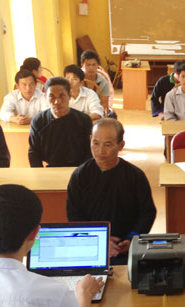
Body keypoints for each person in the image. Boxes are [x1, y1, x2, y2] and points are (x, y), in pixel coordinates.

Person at [67, 119, 157, 265]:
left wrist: (131, 239)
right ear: (90, 140)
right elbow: (74, 214)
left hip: (126, 246)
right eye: (96, 143)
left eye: (107, 144)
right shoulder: (80, 176)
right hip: (91, 244)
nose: (100, 150)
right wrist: (100, 239)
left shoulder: (134, 176)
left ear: (121, 145)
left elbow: (147, 212)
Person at [28, 77, 92, 167]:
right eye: (52, 97)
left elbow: (89, 152)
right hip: (51, 169)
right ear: (45, 97)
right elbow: (34, 152)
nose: (57, 102)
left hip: (78, 168)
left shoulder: (84, 120)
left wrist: (83, 171)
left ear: (69, 96)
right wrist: (40, 172)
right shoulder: (38, 121)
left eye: (62, 96)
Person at [81, 50, 111, 115]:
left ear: (98, 65)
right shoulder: (78, 80)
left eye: (94, 65)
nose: (91, 68)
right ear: (82, 65)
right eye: (88, 65)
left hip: (97, 112)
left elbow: (104, 103)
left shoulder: (103, 82)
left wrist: (95, 113)